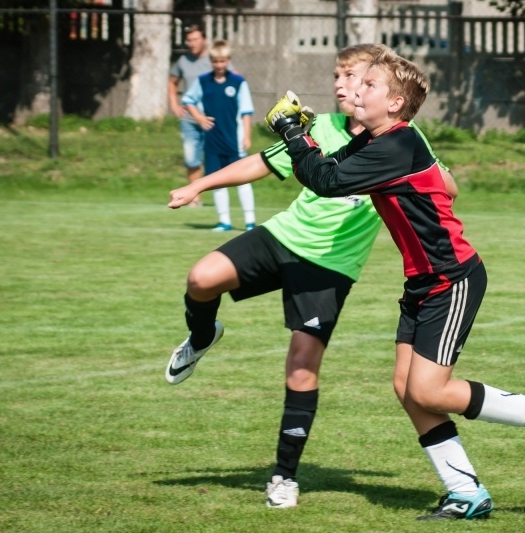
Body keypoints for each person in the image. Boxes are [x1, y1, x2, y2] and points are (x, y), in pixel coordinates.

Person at [265, 46, 525, 521]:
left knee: (427, 390)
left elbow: (324, 181)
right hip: (423, 282)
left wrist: (290, 132)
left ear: (396, 104)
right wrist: (302, 136)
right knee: (408, 390)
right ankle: (465, 492)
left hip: (453, 279)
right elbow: (325, 170)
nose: (356, 89)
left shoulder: (397, 144)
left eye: (369, 85)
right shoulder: (374, 142)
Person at [165, 44, 457, 509]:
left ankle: (284, 477)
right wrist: (198, 184)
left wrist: (423, 178)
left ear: (378, 87)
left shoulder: (400, 137)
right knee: (201, 279)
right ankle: (201, 337)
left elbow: (448, 186)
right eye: (339, 77)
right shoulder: (318, 126)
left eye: (353, 76)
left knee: (301, 366)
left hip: (331, 265)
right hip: (283, 237)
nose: (342, 85)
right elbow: (261, 164)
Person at [168, 26, 256, 229]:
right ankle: (224, 221)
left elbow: (246, 111)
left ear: (228, 60)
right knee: (216, 180)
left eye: (222, 61)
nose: (219, 65)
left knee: (243, 180)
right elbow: (188, 99)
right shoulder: (203, 81)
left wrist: (247, 135)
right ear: (211, 61)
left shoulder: (238, 82)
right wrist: (199, 118)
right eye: (215, 61)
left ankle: (250, 221)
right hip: (213, 140)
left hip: (233, 139)